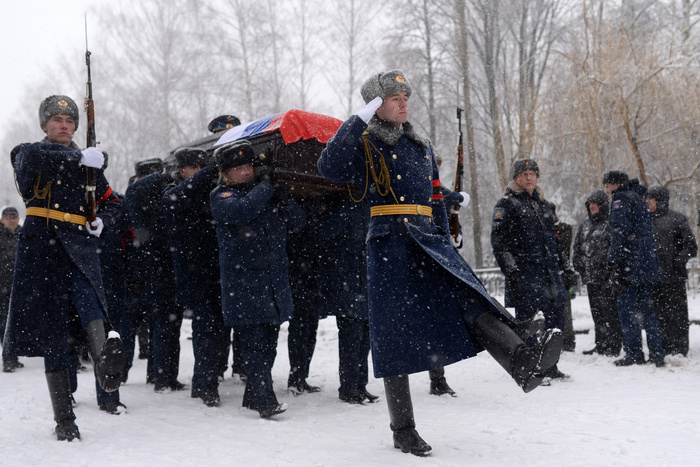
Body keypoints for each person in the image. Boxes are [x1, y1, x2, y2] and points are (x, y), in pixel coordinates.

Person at [319, 70, 562, 456]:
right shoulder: (363, 143)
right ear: (375, 105)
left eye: (405, 96)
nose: (404, 102)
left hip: (429, 239)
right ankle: (403, 429)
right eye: (394, 97)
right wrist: (357, 120)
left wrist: (449, 234)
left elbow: (434, 197)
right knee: (392, 335)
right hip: (389, 244)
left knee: (469, 296)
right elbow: (329, 167)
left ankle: (521, 361)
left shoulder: (421, 145)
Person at [3, 95, 125, 441]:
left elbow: (113, 202)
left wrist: (103, 220)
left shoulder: (89, 164)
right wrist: (79, 157)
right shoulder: (31, 153)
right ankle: (64, 420)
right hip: (43, 250)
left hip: (81, 249)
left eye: (70, 121)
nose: (64, 125)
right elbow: (28, 156)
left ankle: (105, 365)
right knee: (54, 333)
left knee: (93, 308)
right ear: (45, 125)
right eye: (56, 120)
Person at [210, 140, 306, 418]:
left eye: (249, 165)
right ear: (226, 173)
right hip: (244, 285)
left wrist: (286, 199)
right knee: (254, 346)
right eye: (239, 168)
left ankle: (253, 397)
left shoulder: (264, 193)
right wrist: (267, 186)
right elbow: (242, 211)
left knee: (269, 344)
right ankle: (265, 401)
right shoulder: (222, 196)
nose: (246, 172)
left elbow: (299, 224)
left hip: (273, 283)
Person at [491, 158, 569, 381]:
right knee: (529, 323)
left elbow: (555, 241)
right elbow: (499, 242)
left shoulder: (545, 205)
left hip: (549, 274)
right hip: (525, 274)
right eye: (523, 174)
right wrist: (512, 270)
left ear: (537, 177)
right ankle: (533, 368)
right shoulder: (507, 204)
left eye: (532, 173)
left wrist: (565, 267)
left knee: (555, 320)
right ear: (516, 178)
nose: (528, 177)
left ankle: (551, 366)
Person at [162, 148, 227, 407]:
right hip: (195, 275)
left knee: (218, 330)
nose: (200, 174)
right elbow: (184, 193)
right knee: (205, 331)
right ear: (182, 171)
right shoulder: (173, 193)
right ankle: (205, 384)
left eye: (203, 168)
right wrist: (212, 170)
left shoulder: (211, 193)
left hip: (217, 273)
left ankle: (208, 378)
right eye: (195, 169)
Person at [125, 159, 186, 392]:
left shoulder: (153, 194)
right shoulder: (140, 193)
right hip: (149, 270)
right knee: (158, 324)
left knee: (166, 323)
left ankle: (161, 375)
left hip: (159, 266)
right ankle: (160, 376)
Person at [312, 192, 377, 404]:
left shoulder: (367, 204)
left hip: (363, 278)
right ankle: (348, 387)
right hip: (345, 279)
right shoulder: (338, 203)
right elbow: (324, 233)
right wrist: (343, 210)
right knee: (351, 335)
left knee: (365, 336)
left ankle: (360, 385)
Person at [603, 170, 666, 367]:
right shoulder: (639, 197)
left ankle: (633, 353)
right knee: (647, 311)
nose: (606, 190)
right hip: (645, 264)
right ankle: (657, 353)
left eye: (607, 185)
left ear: (616, 185)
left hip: (630, 264)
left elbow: (620, 233)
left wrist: (613, 262)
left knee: (627, 311)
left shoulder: (621, 199)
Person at [645, 185, 697, 357]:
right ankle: (663, 347)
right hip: (654, 278)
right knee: (659, 315)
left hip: (674, 277)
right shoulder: (645, 221)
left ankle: (680, 348)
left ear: (659, 201)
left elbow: (691, 246)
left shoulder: (677, 219)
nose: (647, 203)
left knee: (677, 315)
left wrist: (678, 261)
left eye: (650, 200)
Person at [572, 190, 622, 357]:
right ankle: (600, 344)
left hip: (606, 279)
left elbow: (616, 249)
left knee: (610, 313)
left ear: (602, 205)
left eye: (595, 203)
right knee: (597, 314)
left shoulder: (610, 224)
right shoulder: (584, 226)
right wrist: (579, 265)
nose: (592, 206)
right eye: (589, 204)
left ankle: (614, 346)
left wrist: (611, 272)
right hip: (590, 279)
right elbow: (577, 248)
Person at [1, 206, 23, 372]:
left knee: (16, 323)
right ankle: (8, 358)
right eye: (8, 217)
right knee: (5, 323)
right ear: (2, 220)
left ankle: (13, 356)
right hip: (3, 288)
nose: (11, 220)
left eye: (14, 217)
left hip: (20, 288)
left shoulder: (23, 235)